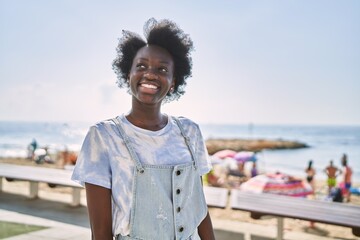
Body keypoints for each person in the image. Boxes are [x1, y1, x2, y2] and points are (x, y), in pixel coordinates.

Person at [72, 18, 215, 240]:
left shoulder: (189, 132)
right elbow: (100, 233)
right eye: (141, 66)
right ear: (128, 74)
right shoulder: (102, 137)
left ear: (173, 81)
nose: (150, 74)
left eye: (162, 69)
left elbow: (199, 210)